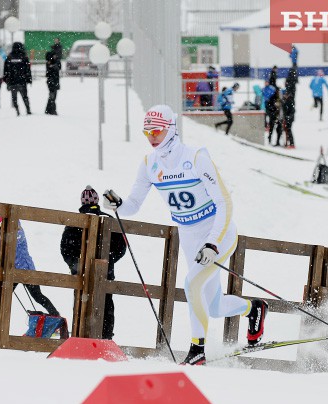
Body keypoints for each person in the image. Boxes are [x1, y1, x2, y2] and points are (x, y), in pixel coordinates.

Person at [103, 105, 268, 365]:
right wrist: (116, 204)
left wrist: (213, 243)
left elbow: (224, 202)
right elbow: (133, 205)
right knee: (212, 306)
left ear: (170, 129)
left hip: (217, 232)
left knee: (192, 285)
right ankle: (254, 309)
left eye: (156, 130)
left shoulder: (196, 157)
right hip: (189, 237)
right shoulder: (149, 163)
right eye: (146, 132)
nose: (151, 137)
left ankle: (197, 350)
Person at [60, 186, 126, 339]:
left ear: (82, 202)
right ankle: (106, 337)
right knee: (106, 304)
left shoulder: (74, 222)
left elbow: (65, 249)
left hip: (80, 273)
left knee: (81, 303)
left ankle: (80, 336)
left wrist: (76, 265)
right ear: (96, 201)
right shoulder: (109, 220)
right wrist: (108, 261)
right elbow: (122, 247)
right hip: (105, 273)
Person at [0, 217, 60, 316]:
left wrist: (1, 234)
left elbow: (14, 241)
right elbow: (1, 246)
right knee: (3, 295)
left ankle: (55, 316)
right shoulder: (1, 233)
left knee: (37, 296)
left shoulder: (18, 230)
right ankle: (1, 321)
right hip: (13, 270)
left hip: (26, 269)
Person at [3, 42, 32, 116]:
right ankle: (28, 109)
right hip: (22, 81)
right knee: (25, 96)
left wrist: (6, 79)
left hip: (12, 81)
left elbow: (5, 69)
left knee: (14, 97)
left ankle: (17, 111)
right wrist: (29, 79)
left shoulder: (9, 57)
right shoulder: (24, 57)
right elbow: (28, 69)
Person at [45, 50, 61, 115]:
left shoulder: (56, 61)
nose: (55, 56)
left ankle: (48, 109)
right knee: (52, 96)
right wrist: (53, 66)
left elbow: (58, 67)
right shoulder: (49, 62)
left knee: (52, 96)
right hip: (51, 81)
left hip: (55, 81)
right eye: (54, 55)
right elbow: (50, 71)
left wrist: (54, 65)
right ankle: (52, 110)